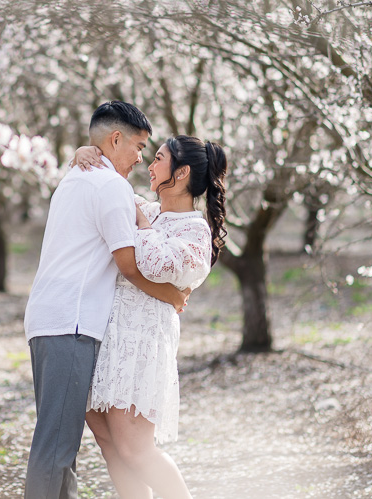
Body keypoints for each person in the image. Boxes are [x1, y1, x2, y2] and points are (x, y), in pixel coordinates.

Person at [23, 101, 188, 499]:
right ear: (115, 139)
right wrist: (172, 294)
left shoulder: (73, 177)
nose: (139, 157)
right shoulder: (111, 185)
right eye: (137, 146)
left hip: (48, 321)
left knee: (59, 443)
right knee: (55, 449)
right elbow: (129, 265)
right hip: (72, 324)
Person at [73, 134, 228, 499]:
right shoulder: (149, 209)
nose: (149, 164)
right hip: (108, 338)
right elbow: (107, 188)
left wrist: (140, 220)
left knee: (135, 450)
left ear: (182, 171)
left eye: (159, 158)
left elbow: (156, 264)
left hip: (141, 346)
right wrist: (85, 153)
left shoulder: (195, 230)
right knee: (110, 444)